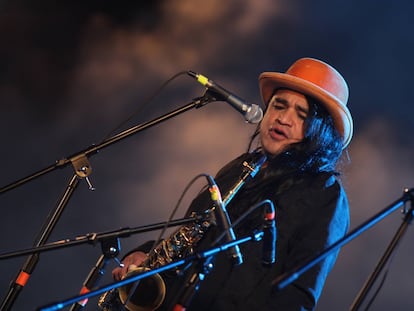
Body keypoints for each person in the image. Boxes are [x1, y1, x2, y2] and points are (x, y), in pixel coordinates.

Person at [108, 57, 353, 311]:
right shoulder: (240, 167)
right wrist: (146, 254)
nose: (283, 118)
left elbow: (298, 296)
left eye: (301, 115)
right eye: (279, 106)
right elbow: (193, 238)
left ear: (320, 131)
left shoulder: (325, 194)